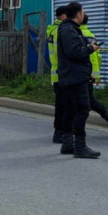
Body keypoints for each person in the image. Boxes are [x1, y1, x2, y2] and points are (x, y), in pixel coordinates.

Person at [56, 2, 102, 159]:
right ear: (78, 14)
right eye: (83, 12)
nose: (84, 14)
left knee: (70, 110)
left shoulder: (68, 29)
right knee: (82, 110)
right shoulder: (69, 30)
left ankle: (68, 143)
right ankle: (80, 146)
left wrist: (87, 72)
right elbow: (74, 52)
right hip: (74, 77)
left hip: (73, 75)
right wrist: (91, 49)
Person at [80, 14, 108, 138]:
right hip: (89, 73)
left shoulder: (79, 34)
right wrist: (96, 74)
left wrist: (92, 74)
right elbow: (97, 57)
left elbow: (91, 56)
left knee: (86, 101)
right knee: (88, 100)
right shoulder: (90, 34)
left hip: (85, 74)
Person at [47, 8, 66, 144]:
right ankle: (60, 132)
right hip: (63, 73)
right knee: (63, 105)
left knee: (61, 104)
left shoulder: (52, 30)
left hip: (56, 73)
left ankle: (60, 132)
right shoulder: (60, 31)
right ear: (64, 16)